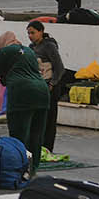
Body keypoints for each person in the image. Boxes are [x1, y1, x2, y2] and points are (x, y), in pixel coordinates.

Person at [0, 32, 52, 171]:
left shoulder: (5, 51)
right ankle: (33, 168)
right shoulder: (28, 50)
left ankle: (19, 168)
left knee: (19, 134)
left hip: (22, 93)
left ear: (3, 44)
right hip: (42, 92)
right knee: (36, 134)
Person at [26, 20, 70, 159]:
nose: (30, 36)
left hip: (50, 87)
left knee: (50, 118)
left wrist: (52, 84)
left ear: (41, 31)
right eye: (28, 33)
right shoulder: (31, 47)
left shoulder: (49, 46)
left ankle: (47, 147)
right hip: (37, 86)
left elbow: (60, 68)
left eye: (33, 33)